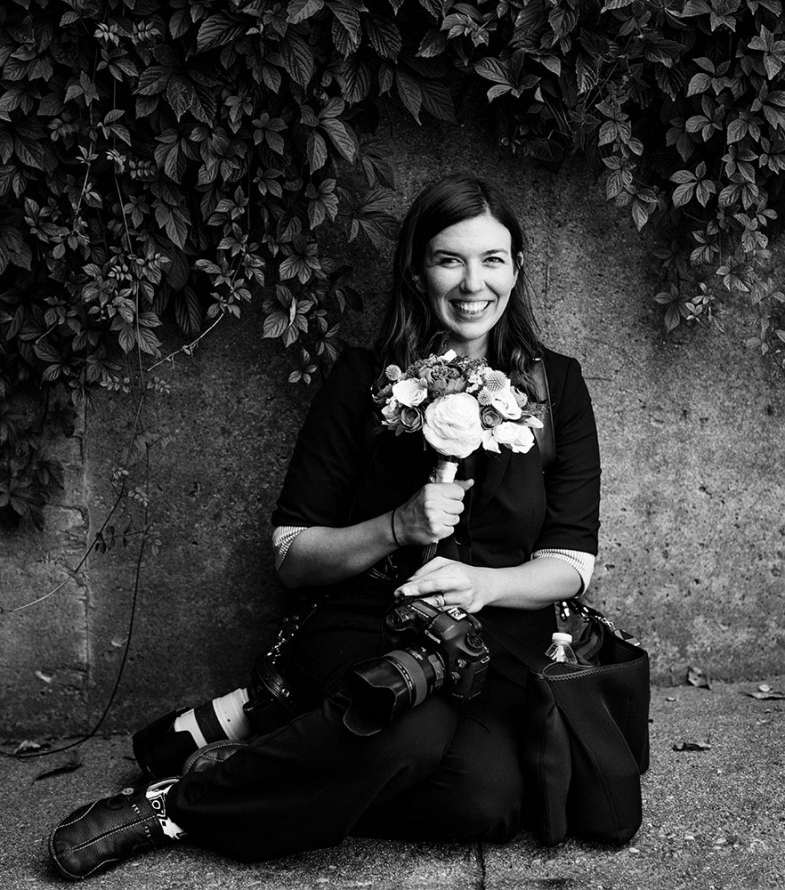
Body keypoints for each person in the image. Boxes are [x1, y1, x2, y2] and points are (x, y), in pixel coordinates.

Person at [48, 173, 601, 880]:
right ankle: (173, 807)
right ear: (416, 271)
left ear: (516, 269)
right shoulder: (365, 379)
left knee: (483, 803)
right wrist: (397, 525)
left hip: (498, 638)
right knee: (406, 733)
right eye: (449, 260)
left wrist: (484, 585)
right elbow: (292, 554)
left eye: (492, 260)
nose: (473, 284)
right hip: (371, 622)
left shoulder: (557, 385)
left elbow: (572, 562)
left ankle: (266, 749)